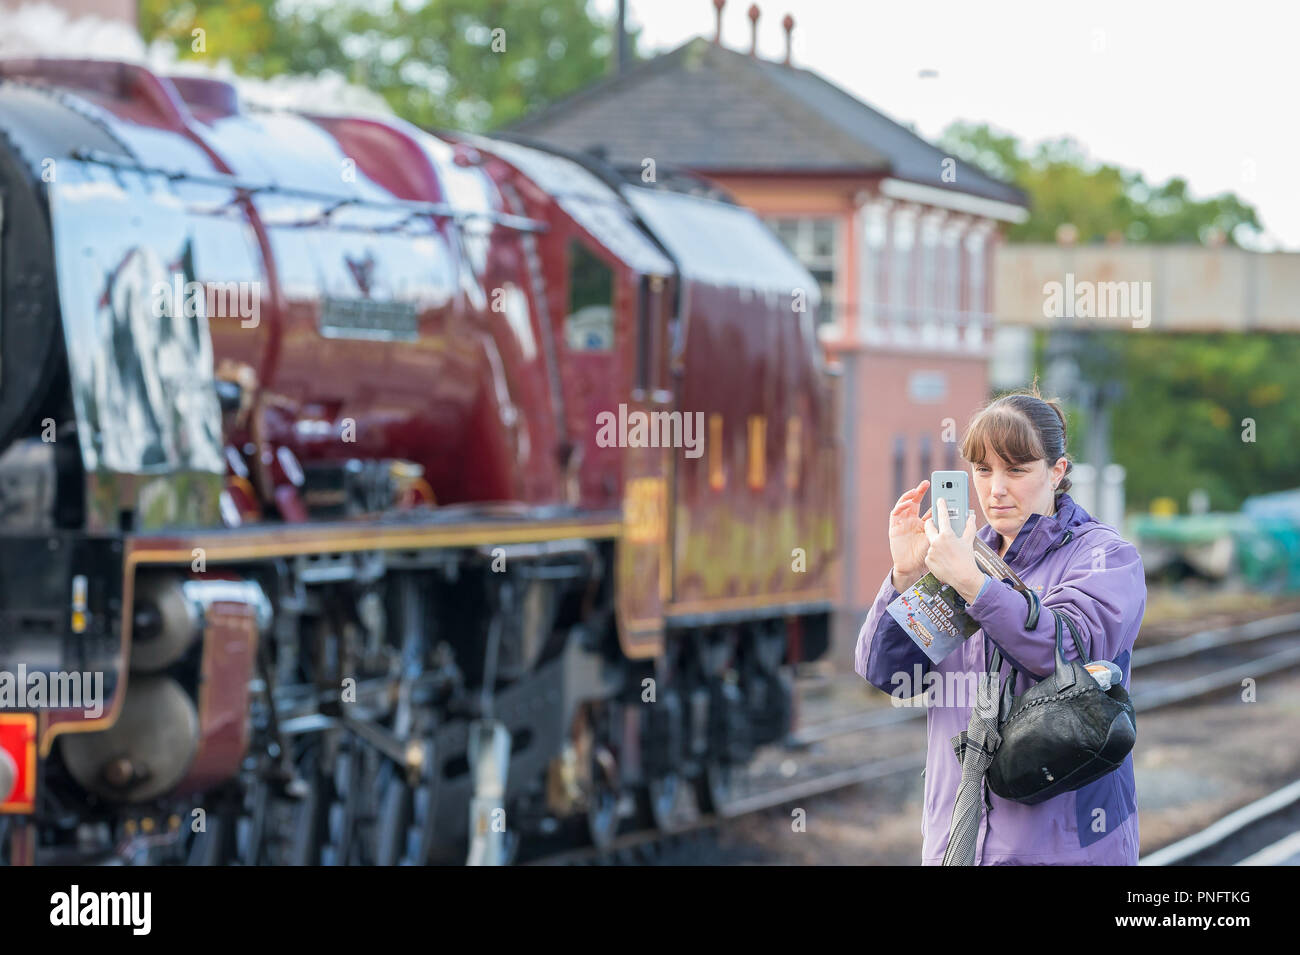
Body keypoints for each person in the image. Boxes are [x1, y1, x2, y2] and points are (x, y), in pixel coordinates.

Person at [854, 388, 1146, 865]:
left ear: (1057, 471)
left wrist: (974, 585)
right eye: (983, 470)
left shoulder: (1105, 557)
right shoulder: (960, 558)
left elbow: (1065, 651)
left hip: (1066, 848)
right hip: (960, 844)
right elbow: (885, 672)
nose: (996, 489)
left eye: (1017, 469)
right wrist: (905, 577)